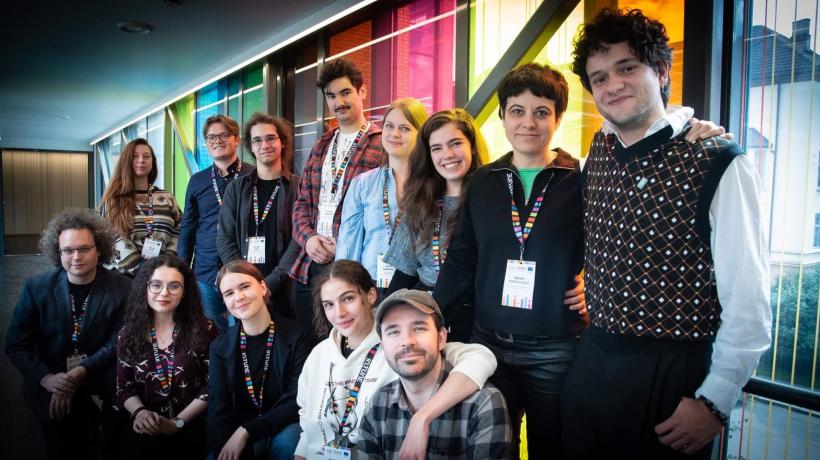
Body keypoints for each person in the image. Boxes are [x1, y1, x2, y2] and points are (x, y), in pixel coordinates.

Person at [561, 8, 772, 459]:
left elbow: (748, 300)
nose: (612, 85)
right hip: (593, 362)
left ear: (660, 71)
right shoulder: (598, 149)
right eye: (599, 78)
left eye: (627, 68)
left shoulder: (720, 160)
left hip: (673, 375)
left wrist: (715, 401)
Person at [431, 64, 587, 459]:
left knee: (552, 449)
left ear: (558, 118)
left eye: (541, 112)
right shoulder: (484, 181)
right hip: (490, 346)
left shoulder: (580, 180)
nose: (528, 123)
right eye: (517, 111)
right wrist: (431, 319)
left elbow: (607, 248)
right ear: (502, 116)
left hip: (555, 347)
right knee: (493, 448)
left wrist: (596, 286)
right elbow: (461, 259)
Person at [294, 260, 498, 459]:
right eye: (329, 305)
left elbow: (481, 358)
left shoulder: (400, 348)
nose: (339, 313)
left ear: (370, 295)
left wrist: (423, 417)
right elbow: (307, 420)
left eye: (348, 299)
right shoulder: (319, 354)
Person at [6, 208, 131, 459]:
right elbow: (16, 344)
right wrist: (46, 379)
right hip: (51, 371)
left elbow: (117, 342)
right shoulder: (36, 288)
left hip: (100, 367)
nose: (76, 257)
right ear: (58, 252)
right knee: (61, 438)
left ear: (99, 249)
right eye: (68, 250)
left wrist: (80, 372)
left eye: (84, 249)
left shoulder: (123, 287)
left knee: (119, 424)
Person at [290, 59, 384, 338]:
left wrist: (341, 243)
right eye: (331, 96)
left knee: (350, 342)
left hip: (353, 264)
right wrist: (308, 239)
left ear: (362, 92)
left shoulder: (381, 143)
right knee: (311, 343)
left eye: (345, 93)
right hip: (310, 263)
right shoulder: (322, 144)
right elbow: (301, 203)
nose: (338, 102)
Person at [357, 289, 511, 459]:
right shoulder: (378, 404)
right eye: (393, 332)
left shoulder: (482, 404)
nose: (407, 341)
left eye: (419, 328)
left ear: (441, 338)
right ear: (383, 346)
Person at [115, 255, 217, 459]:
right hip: (145, 423)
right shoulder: (128, 333)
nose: (164, 293)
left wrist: (175, 423)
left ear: (184, 292)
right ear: (145, 288)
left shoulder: (205, 329)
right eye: (156, 285)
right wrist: (140, 413)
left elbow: (212, 387)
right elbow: (124, 388)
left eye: (174, 286)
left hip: (191, 423)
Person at [208, 260, 309, 460]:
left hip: (281, 427)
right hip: (239, 435)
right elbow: (218, 409)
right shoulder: (219, 347)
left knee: (291, 439)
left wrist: (247, 431)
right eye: (229, 293)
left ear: (263, 287)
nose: (239, 297)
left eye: (245, 286)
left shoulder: (299, 336)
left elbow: (296, 399)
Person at [336, 98, 428, 292]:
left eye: (405, 128)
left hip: (416, 289)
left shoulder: (432, 185)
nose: (394, 134)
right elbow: (348, 248)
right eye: (389, 126)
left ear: (421, 134)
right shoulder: (362, 184)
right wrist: (347, 291)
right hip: (371, 287)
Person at [217, 113, 300, 316]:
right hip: (244, 291)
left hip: (287, 287)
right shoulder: (237, 189)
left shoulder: (298, 187)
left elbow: (299, 239)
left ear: (282, 142)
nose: (265, 145)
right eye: (257, 140)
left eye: (271, 138)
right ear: (251, 147)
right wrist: (244, 281)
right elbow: (225, 238)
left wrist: (270, 283)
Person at [179, 114, 255, 331]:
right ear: (206, 143)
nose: (217, 141)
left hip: (243, 267)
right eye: (211, 137)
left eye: (224, 135)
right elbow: (188, 227)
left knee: (245, 326)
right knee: (212, 330)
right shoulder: (197, 181)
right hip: (206, 271)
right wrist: (182, 268)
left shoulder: (253, 175)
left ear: (237, 139)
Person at [99, 137, 181, 276]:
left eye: (146, 156)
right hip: (124, 278)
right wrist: (143, 270)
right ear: (126, 162)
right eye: (135, 156)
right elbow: (112, 238)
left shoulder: (167, 198)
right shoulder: (113, 200)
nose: (141, 160)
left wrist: (167, 263)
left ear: (152, 162)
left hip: (162, 275)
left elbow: (180, 229)